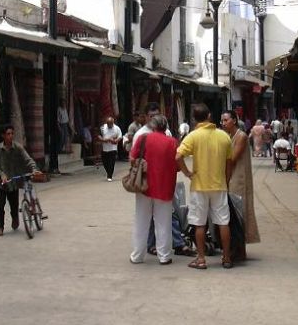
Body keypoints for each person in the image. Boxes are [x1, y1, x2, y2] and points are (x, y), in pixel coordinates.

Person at [177, 103, 234, 270]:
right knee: (223, 222)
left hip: (199, 186)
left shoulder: (193, 136)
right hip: (219, 185)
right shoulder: (224, 136)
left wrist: (187, 173)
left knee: (199, 224)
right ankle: (226, 257)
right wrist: (227, 180)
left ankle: (201, 259)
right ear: (209, 115)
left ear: (194, 118)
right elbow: (229, 163)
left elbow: (178, 156)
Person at [129, 115, 179, 265]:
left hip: (144, 186)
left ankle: (137, 256)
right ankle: (164, 256)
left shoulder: (143, 138)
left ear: (152, 126)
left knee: (141, 221)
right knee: (164, 222)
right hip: (165, 187)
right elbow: (178, 164)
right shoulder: (172, 142)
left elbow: (132, 159)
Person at [221, 109, 260, 261]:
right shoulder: (227, 136)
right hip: (230, 176)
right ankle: (234, 247)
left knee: (239, 213)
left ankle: (240, 249)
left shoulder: (241, 136)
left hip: (238, 178)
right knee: (232, 214)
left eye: (226, 120)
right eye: (222, 121)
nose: (223, 123)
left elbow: (232, 158)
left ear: (234, 121)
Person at [0, 124, 41, 237]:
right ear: (3, 135)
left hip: (14, 181)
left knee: (14, 205)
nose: (10, 136)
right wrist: (1, 174)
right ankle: (0, 227)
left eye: (12, 133)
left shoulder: (18, 147)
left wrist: (34, 168)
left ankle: (15, 218)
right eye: (8, 134)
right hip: (2, 183)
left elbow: (28, 159)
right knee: (0, 205)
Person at [97, 117, 122, 182]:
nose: (109, 125)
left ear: (113, 123)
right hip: (105, 148)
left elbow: (120, 136)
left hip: (113, 148)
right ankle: (108, 172)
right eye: (108, 124)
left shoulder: (117, 128)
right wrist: (104, 140)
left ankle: (109, 175)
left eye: (111, 124)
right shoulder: (103, 127)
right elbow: (99, 136)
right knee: (105, 162)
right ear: (106, 123)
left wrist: (116, 140)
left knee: (111, 162)